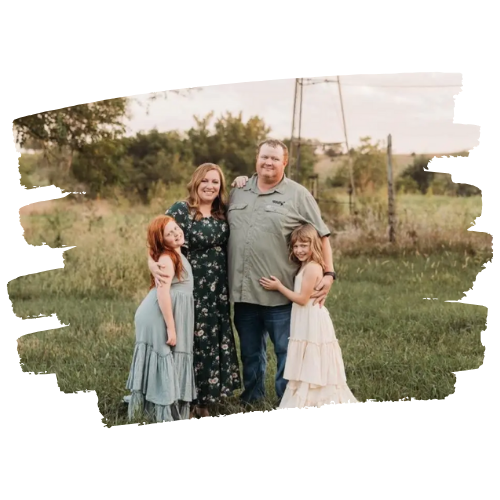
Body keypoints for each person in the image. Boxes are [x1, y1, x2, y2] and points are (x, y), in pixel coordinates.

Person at [227, 139, 336, 406]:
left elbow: (322, 235)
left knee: (287, 350)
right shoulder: (238, 191)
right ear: (257, 158)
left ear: (284, 162)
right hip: (244, 292)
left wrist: (329, 273)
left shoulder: (298, 194)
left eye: (275, 158)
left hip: (281, 293)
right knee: (250, 352)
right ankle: (252, 397)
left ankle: (286, 399)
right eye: (264, 157)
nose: (268, 162)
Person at [149, 163, 242, 418]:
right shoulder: (181, 209)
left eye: (215, 182)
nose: (210, 186)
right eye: (205, 181)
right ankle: (185, 400)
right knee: (191, 340)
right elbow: (156, 238)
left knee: (212, 339)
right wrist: (151, 262)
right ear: (196, 182)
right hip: (190, 285)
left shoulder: (223, 210)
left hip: (217, 288)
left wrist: (244, 179)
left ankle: (205, 401)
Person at [260, 223, 359, 408]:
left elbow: (302, 299)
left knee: (313, 356)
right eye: (296, 246)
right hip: (304, 318)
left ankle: (314, 397)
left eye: (304, 245)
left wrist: (279, 287)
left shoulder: (313, 267)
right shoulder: (304, 265)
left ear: (313, 244)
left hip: (311, 318)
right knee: (306, 357)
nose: (299, 250)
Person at [126, 215, 196, 422]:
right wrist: (171, 328)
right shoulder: (167, 259)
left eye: (176, 228)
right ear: (162, 240)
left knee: (170, 357)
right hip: (157, 314)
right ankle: (161, 413)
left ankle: (157, 408)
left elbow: (151, 248)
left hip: (167, 311)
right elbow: (162, 293)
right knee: (162, 355)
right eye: (169, 233)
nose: (176, 234)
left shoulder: (175, 252)